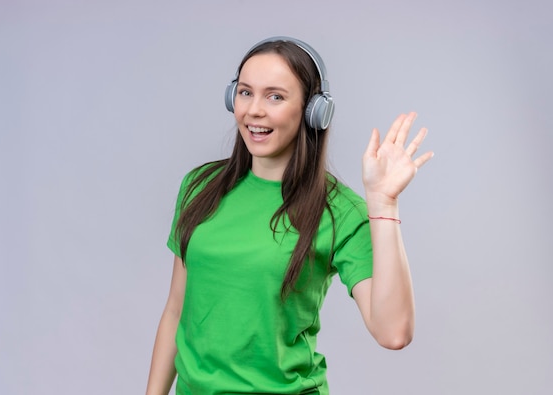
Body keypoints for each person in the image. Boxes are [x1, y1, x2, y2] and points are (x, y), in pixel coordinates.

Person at [145, 36, 433, 395]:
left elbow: (394, 332)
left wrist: (384, 204)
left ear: (313, 111)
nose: (254, 111)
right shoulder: (199, 187)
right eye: (245, 92)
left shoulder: (339, 211)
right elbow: (176, 311)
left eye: (275, 96)